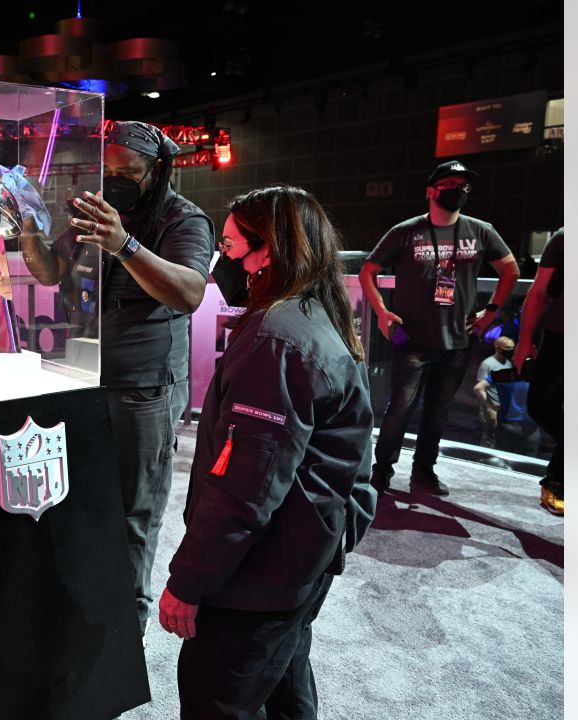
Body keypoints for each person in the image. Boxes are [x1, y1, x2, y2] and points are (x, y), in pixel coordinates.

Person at [158, 186, 377, 719]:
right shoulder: (306, 319)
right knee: (283, 690)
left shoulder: (277, 339)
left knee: (219, 699)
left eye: (230, 247)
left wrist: (188, 581)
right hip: (294, 565)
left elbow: (244, 489)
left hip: (259, 579)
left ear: (268, 252)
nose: (220, 263)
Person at [19, 120, 215, 638]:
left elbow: (189, 293)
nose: (117, 181)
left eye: (128, 173)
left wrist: (124, 243)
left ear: (158, 170)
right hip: (85, 374)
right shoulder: (100, 211)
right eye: (109, 172)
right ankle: (86, 605)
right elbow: (49, 271)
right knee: (81, 499)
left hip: (145, 386)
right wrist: (28, 229)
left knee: (134, 511)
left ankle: (127, 629)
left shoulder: (182, 219)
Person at [360, 160, 520, 495]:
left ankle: (424, 472)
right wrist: (382, 312)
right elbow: (368, 271)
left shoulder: (480, 231)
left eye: (464, 185)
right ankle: (381, 472)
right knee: (399, 410)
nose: (459, 190)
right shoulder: (406, 231)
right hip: (411, 339)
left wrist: (490, 312)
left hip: (458, 339)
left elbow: (510, 270)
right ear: (431, 191)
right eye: (450, 184)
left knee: (438, 411)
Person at [514, 228, 564, 515]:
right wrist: (524, 339)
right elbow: (539, 291)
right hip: (559, 334)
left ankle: (557, 482)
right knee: (541, 405)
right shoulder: (564, 237)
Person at [474, 336, 515, 447]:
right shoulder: (487, 364)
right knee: (489, 439)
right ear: (498, 347)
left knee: (499, 439)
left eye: (512, 348)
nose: (510, 350)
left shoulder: (508, 363)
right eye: (507, 348)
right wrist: (489, 406)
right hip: (491, 406)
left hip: (503, 408)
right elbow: (480, 388)